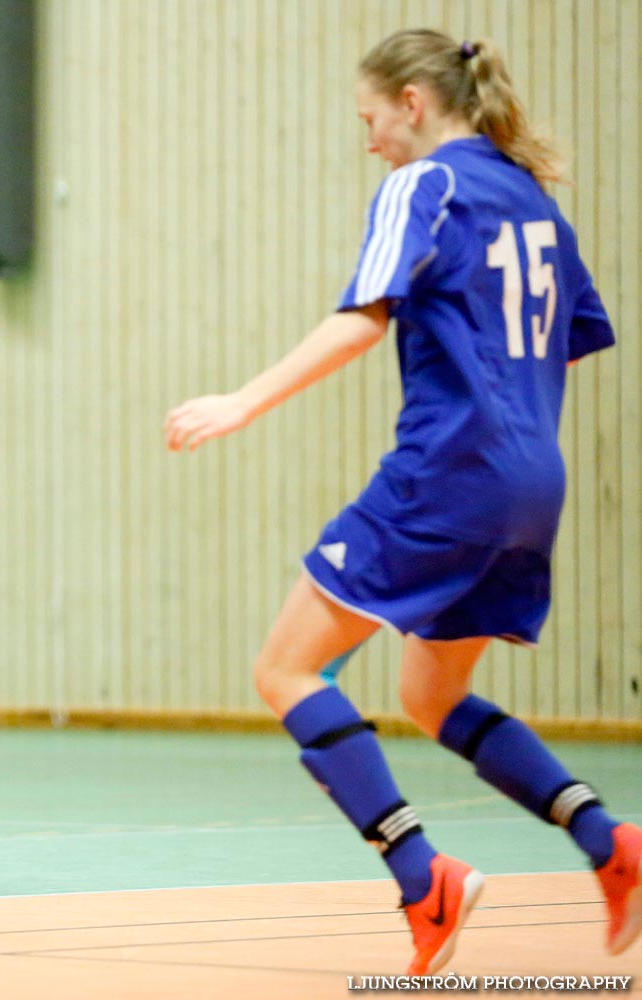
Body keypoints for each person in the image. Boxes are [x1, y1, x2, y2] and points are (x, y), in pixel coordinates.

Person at [165, 29, 639, 974]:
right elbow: (568, 338)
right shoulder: (533, 200)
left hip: (449, 471)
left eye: (371, 120)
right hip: (531, 479)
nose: (370, 141)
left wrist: (242, 400)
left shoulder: (425, 185)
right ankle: (611, 844)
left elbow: (363, 316)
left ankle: (424, 877)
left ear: (414, 105)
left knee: (288, 670)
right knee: (431, 692)